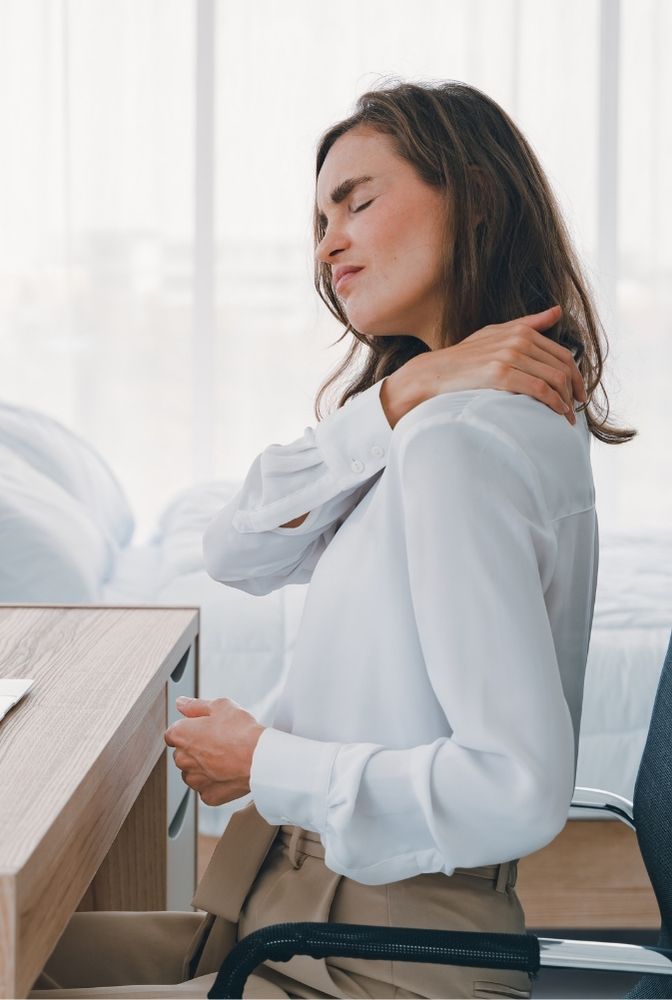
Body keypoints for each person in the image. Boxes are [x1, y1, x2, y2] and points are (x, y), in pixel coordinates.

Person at [30, 79, 636, 1000]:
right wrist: (405, 390)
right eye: (320, 218)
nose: (328, 243)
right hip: (287, 916)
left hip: (378, 963)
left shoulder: (460, 443)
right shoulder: (428, 423)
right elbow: (238, 548)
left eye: (358, 201)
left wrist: (264, 761)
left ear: (472, 196)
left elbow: (517, 787)